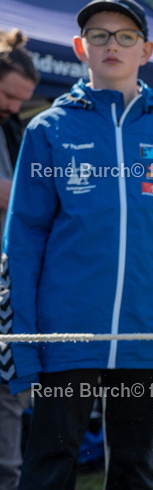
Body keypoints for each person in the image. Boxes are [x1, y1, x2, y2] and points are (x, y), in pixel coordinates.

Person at [1, 0, 153, 489]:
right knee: (49, 464)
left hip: (146, 333)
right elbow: (21, 243)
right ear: (79, 46)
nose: (113, 45)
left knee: (134, 467)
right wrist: (19, 340)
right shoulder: (48, 130)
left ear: (146, 51)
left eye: (126, 36)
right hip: (64, 333)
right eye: (99, 35)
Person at [0, 29, 38, 490]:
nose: (14, 106)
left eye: (21, 100)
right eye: (9, 95)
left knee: (9, 393)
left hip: (8, 280)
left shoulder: (13, 129)